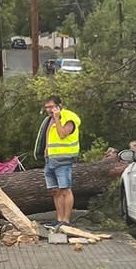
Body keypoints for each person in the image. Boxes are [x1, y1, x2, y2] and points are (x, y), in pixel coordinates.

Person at [39, 95, 82, 231]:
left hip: (64, 159)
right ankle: (59, 219)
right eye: (47, 107)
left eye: (51, 107)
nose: (49, 110)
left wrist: (57, 119)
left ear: (59, 106)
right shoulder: (49, 120)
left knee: (65, 189)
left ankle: (66, 220)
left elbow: (63, 134)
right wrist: (46, 149)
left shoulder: (69, 117)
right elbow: (48, 137)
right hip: (51, 158)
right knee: (55, 190)